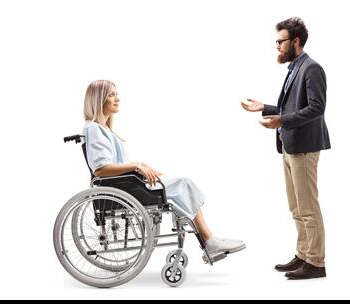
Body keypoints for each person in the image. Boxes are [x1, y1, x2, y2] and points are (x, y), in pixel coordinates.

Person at [82, 80, 245, 261]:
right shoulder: (94, 129)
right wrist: (137, 166)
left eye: (116, 94)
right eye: (111, 95)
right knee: (184, 184)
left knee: (183, 185)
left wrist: (141, 164)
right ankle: (209, 240)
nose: (117, 98)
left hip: (126, 185)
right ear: (99, 100)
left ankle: (209, 240)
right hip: (122, 189)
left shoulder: (103, 129)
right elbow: (100, 169)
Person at [241, 17, 330, 279]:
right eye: (277, 41)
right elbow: (293, 107)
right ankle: (303, 255)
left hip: (303, 146)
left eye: (280, 41)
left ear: (296, 41)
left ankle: (316, 262)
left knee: (308, 207)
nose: (277, 46)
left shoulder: (312, 68)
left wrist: (282, 120)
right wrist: (267, 108)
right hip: (290, 145)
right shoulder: (295, 68)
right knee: (296, 206)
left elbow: (317, 108)